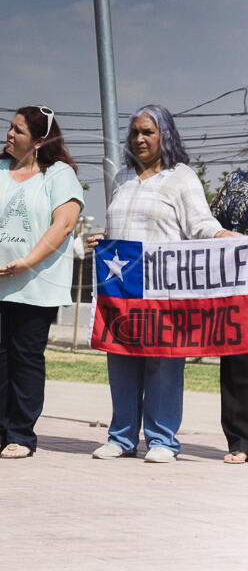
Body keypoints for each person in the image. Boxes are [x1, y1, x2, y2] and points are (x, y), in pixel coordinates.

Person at [88, 105, 234, 463]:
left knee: (163, 362)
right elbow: (121, 226)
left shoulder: (181, 177)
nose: (139, 139)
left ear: (165, 135)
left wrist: (223, 236)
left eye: (148, 132)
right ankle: (121, 437)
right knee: (120, 359)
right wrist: (103, 238)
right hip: (121, 289)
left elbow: (200, 223)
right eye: (135, 132)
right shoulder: (122, 176)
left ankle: (162, 440)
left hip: (164, 288)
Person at [0, 105, 83, 459]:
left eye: (18, 130)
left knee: (26, 357)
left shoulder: (59, 174)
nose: (9, 135)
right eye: (10, 127)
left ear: (40, 140)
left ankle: (21, 435)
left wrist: (27, 262)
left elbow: (63, 224)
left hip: (36, 288)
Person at [210, 164, 248, 464]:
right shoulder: (235, 182)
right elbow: (209, 225)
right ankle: (240, 441)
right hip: (238, 286)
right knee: (237, 364)